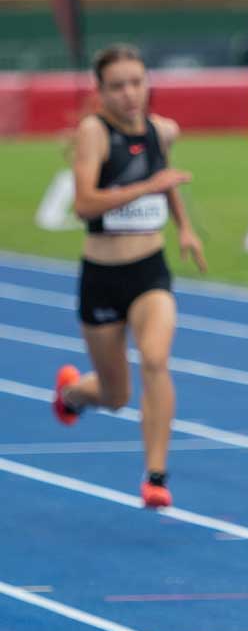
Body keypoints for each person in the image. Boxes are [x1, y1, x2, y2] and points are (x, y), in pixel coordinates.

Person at [53, 43, 206, 509]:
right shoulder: (93, 133)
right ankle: (73, 393)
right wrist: (147, 188)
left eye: (137, 83)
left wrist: (185, 228)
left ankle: (155, 476)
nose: (129, 94)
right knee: (116, 394)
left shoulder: (163, 130)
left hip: (148, 271)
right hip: (101, 275)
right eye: (118, 86)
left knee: (156, 360)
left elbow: (164, 178)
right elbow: (84, 204)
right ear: (100, 92)